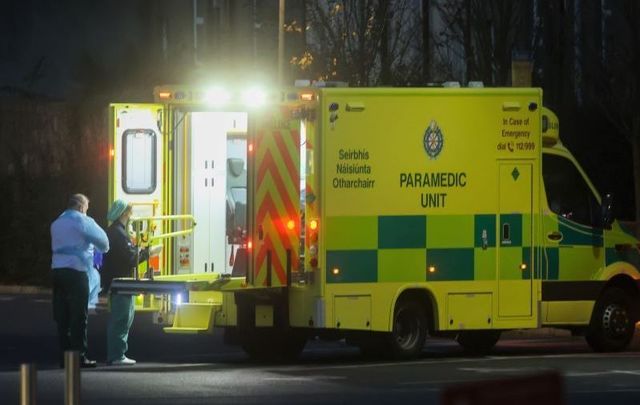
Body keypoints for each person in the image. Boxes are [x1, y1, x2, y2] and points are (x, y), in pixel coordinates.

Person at [51, 193, 109, 368]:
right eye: (86, 208)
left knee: (62, 316)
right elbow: (104, 243)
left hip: (57, 271)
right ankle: (79, 356)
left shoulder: (56, 223)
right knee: (78, 316)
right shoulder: (83, 221)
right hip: (77, 271)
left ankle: (64, 357)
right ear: (82, 207)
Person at [103, 199, 161, 366]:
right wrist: (149, 252)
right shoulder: (118, 233)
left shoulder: (115, 231)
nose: (131, 215)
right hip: (121, 283)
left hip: (119, 282)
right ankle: (116, 355)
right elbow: (130, 258)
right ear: (124, 213)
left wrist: (142, 251)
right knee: (121, 319)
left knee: (122, 318)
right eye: (130, 212)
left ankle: (118, 354)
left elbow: (128, 253)